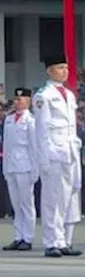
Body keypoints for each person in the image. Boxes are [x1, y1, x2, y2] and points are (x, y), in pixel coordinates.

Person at [32, 54, 83, 258]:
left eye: (66, 67)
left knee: (65, 198)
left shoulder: (69, 95)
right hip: (53, 152)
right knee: (52, 199)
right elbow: (42, 130)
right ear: (49, 70)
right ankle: (51, 241)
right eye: (60, 68)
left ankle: (61, 240)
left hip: (69, 151)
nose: (64, 71)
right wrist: (43, 159)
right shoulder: (43, 96)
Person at [2, 89, 36, 251]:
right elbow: (6, 146)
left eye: (20, 100)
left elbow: (34, 147)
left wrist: (35, 170)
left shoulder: (31, 121)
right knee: (16, 204)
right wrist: (5, 168)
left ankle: (27, 237)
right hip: (12, 166)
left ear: (28, 101)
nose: (16, 102)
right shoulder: (8, 119)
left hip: (25, 166)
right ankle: (18, 236)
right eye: (15, 99)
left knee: (26, 204)